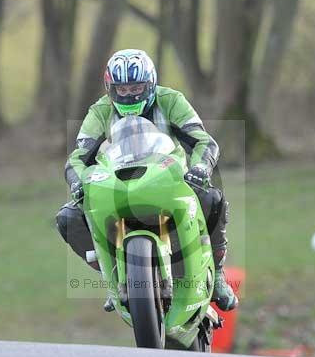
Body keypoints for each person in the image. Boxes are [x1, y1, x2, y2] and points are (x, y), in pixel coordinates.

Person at [56, 48, 238, 311]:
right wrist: (80, 182)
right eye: (122, 89)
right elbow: (77, 158)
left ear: (151, 84)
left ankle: (218, 274)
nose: (129, 95)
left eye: (136, 88)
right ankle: (112, 277)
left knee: (212, 199)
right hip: (115, 184)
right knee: (69, 218)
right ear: (110, 89)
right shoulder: (99, 111)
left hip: (168, 178)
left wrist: (200, 168)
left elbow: (203, 141)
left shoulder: (171, 100)